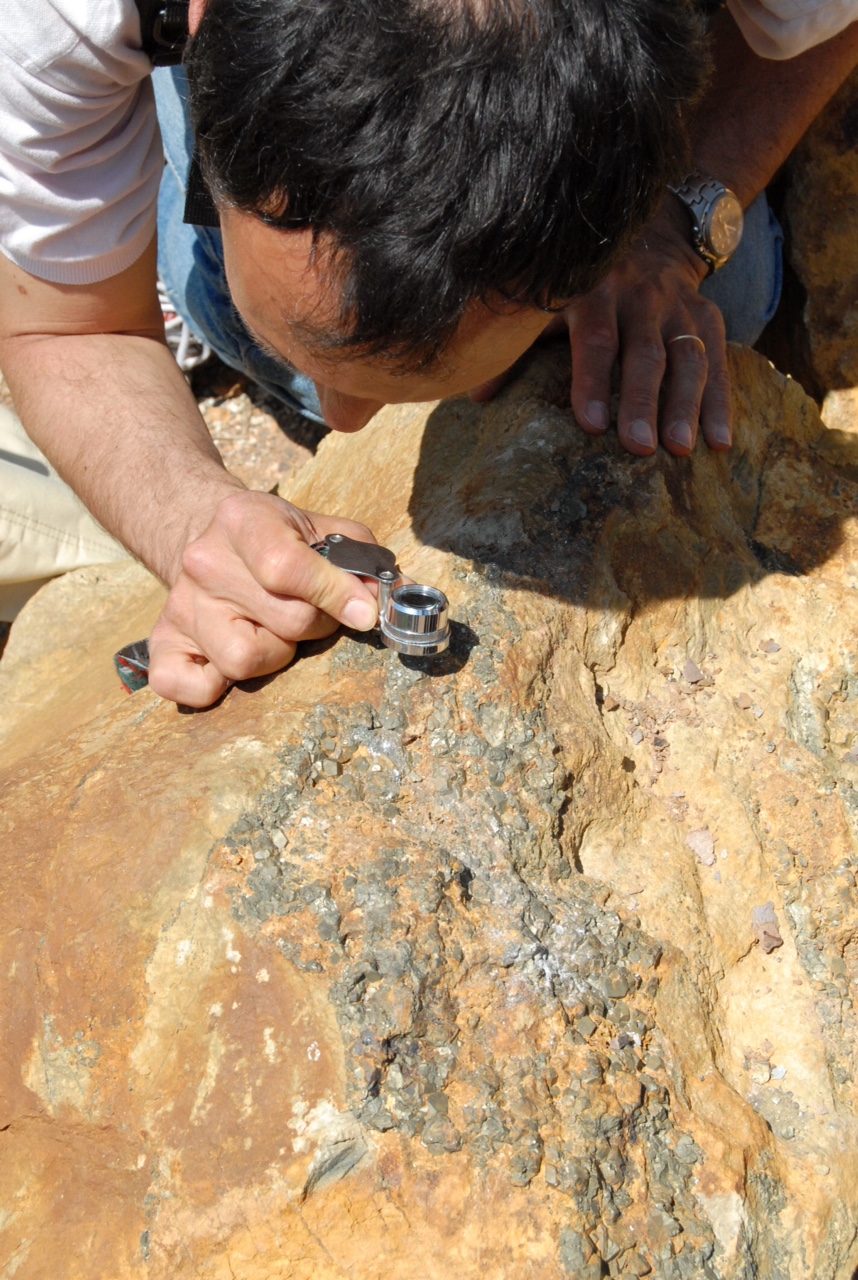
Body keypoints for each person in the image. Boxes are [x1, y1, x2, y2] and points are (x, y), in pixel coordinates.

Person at [0, 0, 856, 707]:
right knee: (203, 283)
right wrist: (190, 514)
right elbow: (65, 324)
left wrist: (673, 224)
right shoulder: (52, 24)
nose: (343, 423)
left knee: (723, 303)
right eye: (311, 350)